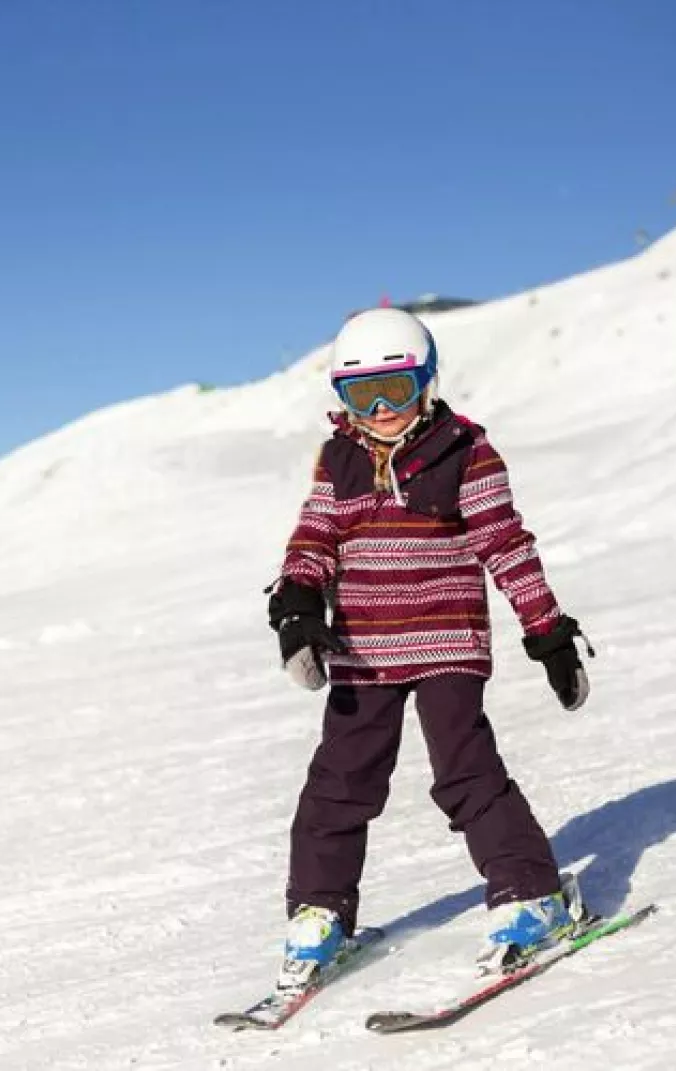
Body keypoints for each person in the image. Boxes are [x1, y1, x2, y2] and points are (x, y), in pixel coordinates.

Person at [265, 306, 593, 992]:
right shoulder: (341, 458)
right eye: (363, 395)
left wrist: (547, 630)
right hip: (362, 647)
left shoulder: (465, 450)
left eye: (399, 390)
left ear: (428, 382)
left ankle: (532, 894)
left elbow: (505, 544)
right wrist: (297, 604)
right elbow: (315, 538)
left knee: (464, 770)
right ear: (342, 398)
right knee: (340, 780)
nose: (382, 409)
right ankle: (321, 910)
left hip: (446, 639)